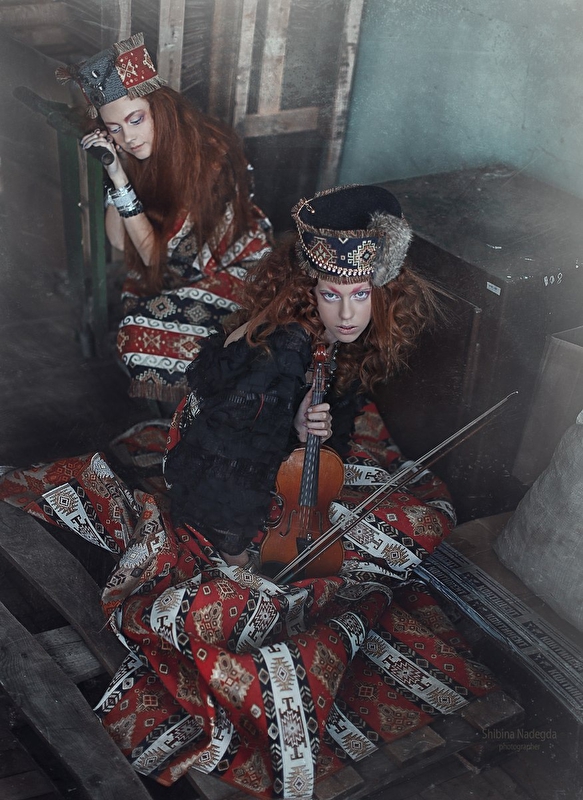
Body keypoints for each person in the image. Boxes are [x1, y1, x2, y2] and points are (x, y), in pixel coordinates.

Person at [0, 185, 496, 800]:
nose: (348, 312)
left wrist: (309, 430)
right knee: (359, 543)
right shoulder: (278, 357)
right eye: (332, 294)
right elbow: (225, 467)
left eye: (360, 294)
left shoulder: (319, 343)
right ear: (308, 292)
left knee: (388, 510)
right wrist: (236, 558)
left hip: (256, 468)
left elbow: (307, 424)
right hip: (215, 494)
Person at [58, 33, 272, 404]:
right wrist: (116, 169)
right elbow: (119, 240)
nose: (129, 137)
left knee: (163, 337)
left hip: (235, 262)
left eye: (135, 119)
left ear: (159, 108)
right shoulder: (134, 152)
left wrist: (121, 183)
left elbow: (157, 256)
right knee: (137, 330)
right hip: (168, 262)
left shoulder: (209, 158)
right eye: (115, 129)